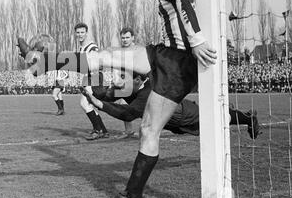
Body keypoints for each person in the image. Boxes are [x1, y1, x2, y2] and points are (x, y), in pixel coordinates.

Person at [18, 0, 218, 198]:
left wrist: (198, 40)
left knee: (148, 129)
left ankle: (132, 196)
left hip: (177, 65)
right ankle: (44, 62)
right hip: (163, 53)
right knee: (105, 56)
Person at [81, 71, 260, 139]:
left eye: (122, 77)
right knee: (214, 124)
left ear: (137, 80)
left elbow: (128, 113)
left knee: (219, 119)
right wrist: (91, 90)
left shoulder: (147, 93)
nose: (118, 80)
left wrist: (99, 104)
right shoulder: (129, 87)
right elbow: (107, 94)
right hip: (173, 121)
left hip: (184, 114)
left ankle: (248, 118)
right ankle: (246, 117)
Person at [74, 22, 109, 140]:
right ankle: (103, 130)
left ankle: (98, 130)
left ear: (86, 33)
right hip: (88, 77)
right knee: (89, 104)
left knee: (85, 103)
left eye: (82, 32)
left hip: (93, 76)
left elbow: (96, 64)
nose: (80, 34)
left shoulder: (91, 47)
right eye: (78, 32)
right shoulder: (82, 47)